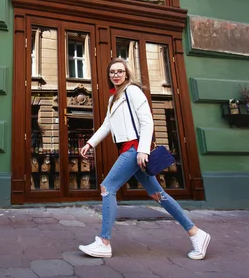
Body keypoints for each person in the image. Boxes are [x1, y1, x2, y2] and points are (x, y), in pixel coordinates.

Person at [78, 58, 211, 260]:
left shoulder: (132, 91)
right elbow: (107, 124)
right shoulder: (113, 98)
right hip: (128, 149)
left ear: (127, 73)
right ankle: (196, 233)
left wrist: (143, 150)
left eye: (119, 71)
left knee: (107, 187)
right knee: (158, 194)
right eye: (112, 72)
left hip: (134, 149)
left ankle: (104, 242)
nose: (115, 75)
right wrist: (90, 143)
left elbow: (147, 121)